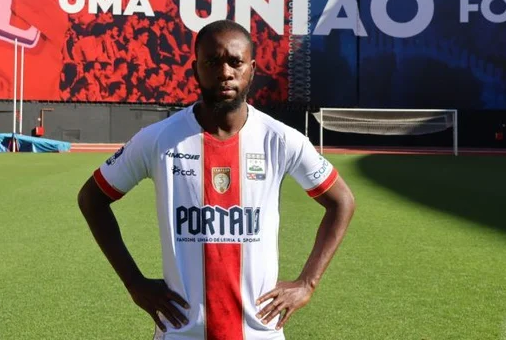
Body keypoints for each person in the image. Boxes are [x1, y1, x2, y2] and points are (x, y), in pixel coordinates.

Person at [77, 19, 356, 339]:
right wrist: (134, 283)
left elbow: (342, 202)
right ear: (195, 69)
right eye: (212, 62)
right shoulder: (158, 139)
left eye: (235, 62)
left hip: (259, 332)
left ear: (252, 69)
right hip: (182, 332)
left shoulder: (280, 139)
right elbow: (92, 198)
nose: (225, 72)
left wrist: (307, 283)